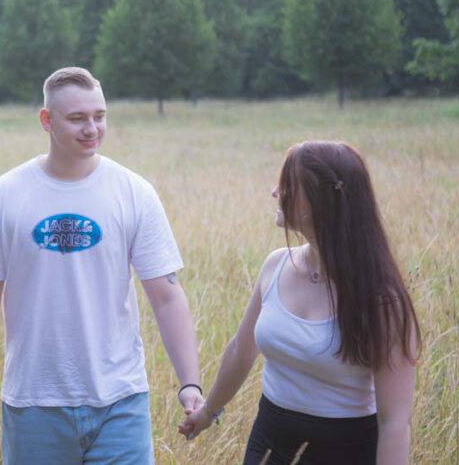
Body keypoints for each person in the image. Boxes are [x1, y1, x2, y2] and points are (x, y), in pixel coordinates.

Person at [0, 66, 203, 464]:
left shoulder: (134, 192)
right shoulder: (2, 196)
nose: (92, 129)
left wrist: (190, 382)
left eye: (99, 116)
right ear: (47, 121)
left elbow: (167, 295)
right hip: (34, 403)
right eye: (77, 118)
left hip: (120, 401)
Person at [179, 141, 421, 465]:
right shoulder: (275, 265)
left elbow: (394, 423)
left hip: (346, 451)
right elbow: (241, 350)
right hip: (269, 442)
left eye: (287, 183)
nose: (275, 192)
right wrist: (209, 411)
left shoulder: (382, 300)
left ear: (322, 199)